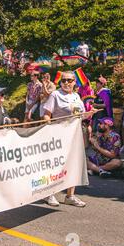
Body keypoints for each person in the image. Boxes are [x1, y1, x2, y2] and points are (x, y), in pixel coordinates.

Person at [43, 71, 88, 207]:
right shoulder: (55, 95)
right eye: (64, 81)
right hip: (58, 136)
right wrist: (50, 129)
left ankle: (70, 195)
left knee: (73, 164)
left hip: (75, 135)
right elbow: (46, 115)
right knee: (55, 165)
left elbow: (80, 115)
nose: (66, 83)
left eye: (69, 80)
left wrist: (87, 114)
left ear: (75, 82)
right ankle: (49, 194)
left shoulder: (76, 96)